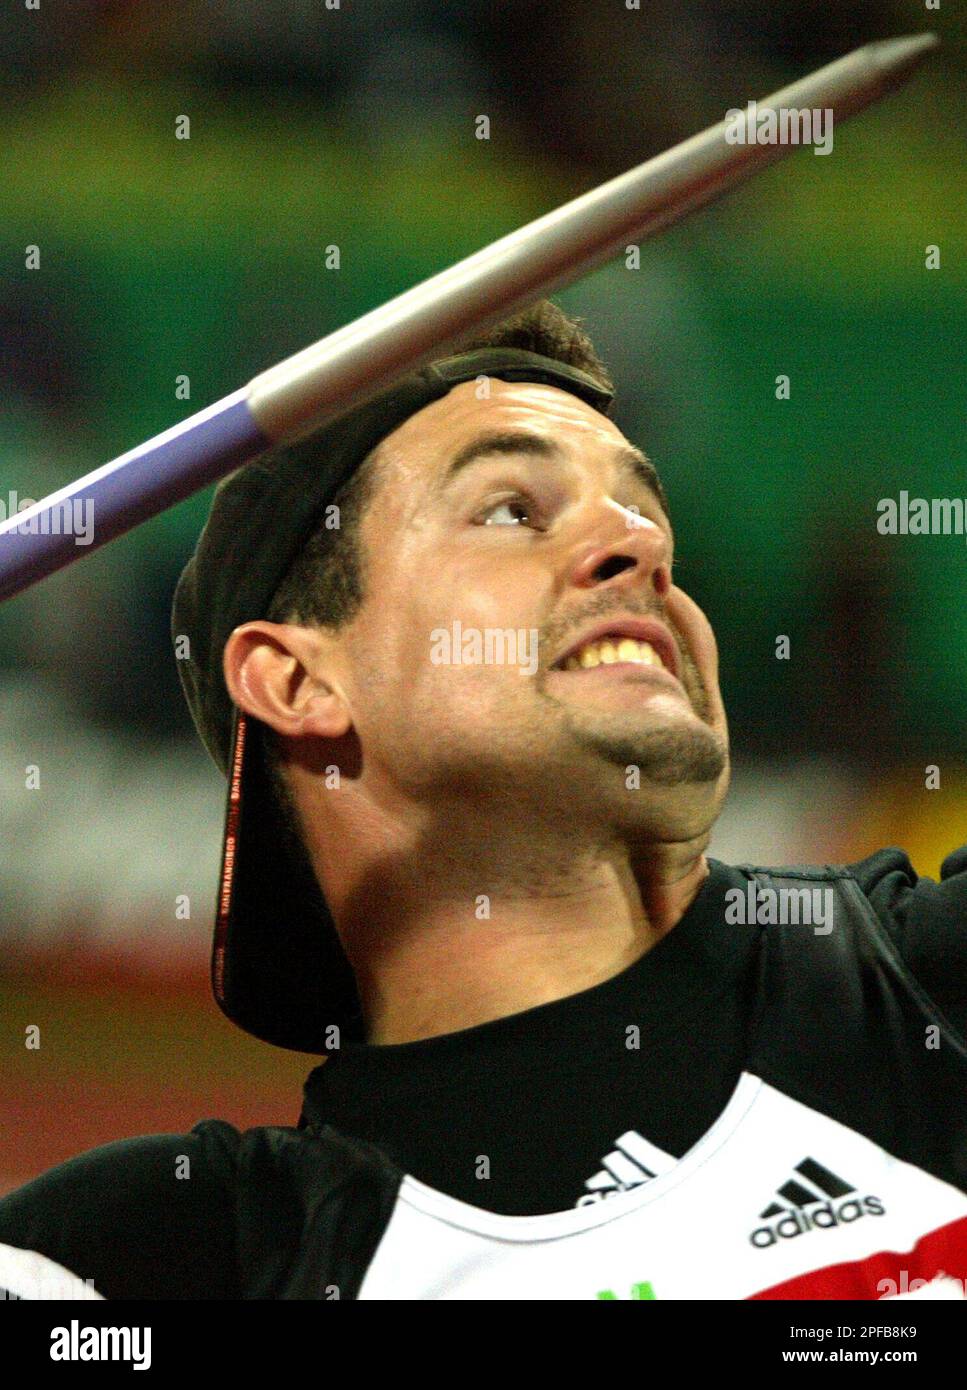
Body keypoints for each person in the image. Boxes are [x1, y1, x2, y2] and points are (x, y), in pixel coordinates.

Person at [1, 300, 965, 1301]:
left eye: (647, 512)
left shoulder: (933, 993)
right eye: (511, 509)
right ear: (297, 683)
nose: (639, 546)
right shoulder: (144, 1264)